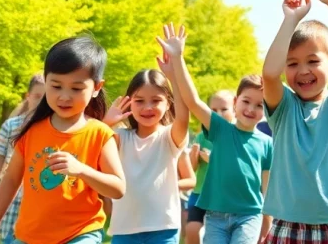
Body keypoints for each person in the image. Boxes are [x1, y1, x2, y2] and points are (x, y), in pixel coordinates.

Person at [0, 37, 126, 244]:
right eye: (56, 86)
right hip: (29, 236)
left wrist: (81, 169)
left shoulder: (100, 133)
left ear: (96, 87)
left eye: (76, 88)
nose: (65, 96)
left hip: (80, 234)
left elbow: (118, 188)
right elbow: (11, 180)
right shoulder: (31, 131)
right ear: (46, 80)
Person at [261, 0, 328, 244]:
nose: (303, 71)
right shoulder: (283, 109)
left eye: (313, 61)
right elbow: (269, 74)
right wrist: (291, 20)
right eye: (292, 63)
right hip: (287, 224)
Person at [165, 23, 273, 244]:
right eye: (246, 101)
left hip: (249, 216)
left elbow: (267, 189)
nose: (251, 109)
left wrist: (267, 223)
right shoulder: (220, 129)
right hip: (215, 217)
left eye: (260, 105)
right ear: (235, 102)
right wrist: (178, 58)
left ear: (268, 110)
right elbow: (193, 101)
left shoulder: (267, 143)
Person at [102, 51, 190, 244]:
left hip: (163, 229)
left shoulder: (169, 137)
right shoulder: (120, 137)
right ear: (129, 103)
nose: (147, 107)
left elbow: (183, 117)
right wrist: (106, 123)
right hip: (124, 230)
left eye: (156, 100)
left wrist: (174, 77)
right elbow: (91, 142)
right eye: (139, 101)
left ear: (168, 104)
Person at [0, 73, 44, 244]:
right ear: (28, 96)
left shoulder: (52, 128)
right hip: (11, 200)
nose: (41, 103)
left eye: (45, 98)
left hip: (37, 203)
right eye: (37, 96)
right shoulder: (12, 125)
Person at [186, 90, 235, 244]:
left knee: (219, 235)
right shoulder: (202, 136)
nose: (218, 114)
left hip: (224, 197)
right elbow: (191, 170)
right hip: (200, 193)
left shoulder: (237, 136)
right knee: (192, 230)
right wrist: (193, 158)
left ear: (235, 109)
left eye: (224, 109)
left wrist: (212, 158)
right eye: (213, 110)